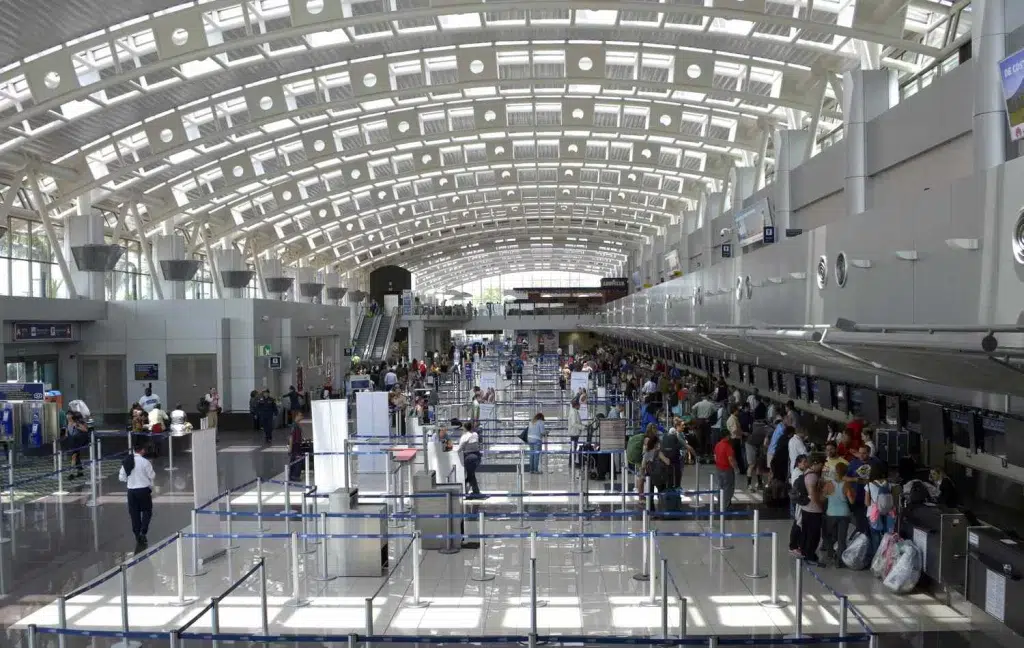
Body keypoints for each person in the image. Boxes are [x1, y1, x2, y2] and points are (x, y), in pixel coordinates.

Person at [119, 441, 156, 549]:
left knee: (134, 513)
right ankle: (143, 532)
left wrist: (129, 480)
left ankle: (136, 534)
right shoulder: (145, 462)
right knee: (147, 511)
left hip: (131, 491)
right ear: (143, 450)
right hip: (144, 490)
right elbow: (152, 475)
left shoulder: (127, 461)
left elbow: (121, 477)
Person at [822, 460, 854, 567]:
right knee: (841, 539)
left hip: (831, 514)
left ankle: (830, 555)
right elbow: (851, 501)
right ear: (845, 473)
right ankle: (839, 562)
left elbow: (823, 498)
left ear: (835, 472)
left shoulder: (828, 484)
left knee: (829, 536)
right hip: (844, 514)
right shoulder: (847, 485)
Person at [798, 456, 825, 566]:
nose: (822, 468)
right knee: (814, 534)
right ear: (816, 463)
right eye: (821, 465)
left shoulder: (806, 473)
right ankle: (809, 556)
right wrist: (821, 506)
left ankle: (805, 553)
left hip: (806, 508)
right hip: (813, 510)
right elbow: (813, 494)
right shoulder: (812, 476)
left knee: (806, 532)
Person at [865, 463, 897, 555]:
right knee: (886, 537)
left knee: (875, 537)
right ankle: (885, 559)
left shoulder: (869, 485)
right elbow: (893, 501)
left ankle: (876, 560)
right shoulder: (889, 485)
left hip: (874, 514)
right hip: (887, 513)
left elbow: (866, 503)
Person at [454, 422, 484, 499]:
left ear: (465, 428)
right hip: (477, 457)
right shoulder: (475, 434)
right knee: (471, 475)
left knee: (470, 476)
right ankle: (473, 491)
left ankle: (474, 492)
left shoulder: (465, 437)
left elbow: (459, 449)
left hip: (469, 458)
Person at [788, 454, 809, 554]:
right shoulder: (797, 474)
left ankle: (798, 544)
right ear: (798, 463)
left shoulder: (801, 472)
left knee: (799, 522)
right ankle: (793, 545)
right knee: (797, 522)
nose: (806, 464)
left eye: (806, 462)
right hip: (798, 501)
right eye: (804, 462)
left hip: (800, 500)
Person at [713, 432, 738, 510]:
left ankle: (719, 504)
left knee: (720, 486)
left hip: (718, 469)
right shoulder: (728, 446)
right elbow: (730, 459)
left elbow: (715, 457)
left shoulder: (718, 445)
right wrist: (735, 468)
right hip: (727, 470)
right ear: (727, 436)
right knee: (728, 488)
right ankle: (725, 506)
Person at [288, 411, 308, 482]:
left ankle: (292, 475)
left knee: (294, 460)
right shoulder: (294, 425)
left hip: (297, 445)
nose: (302, 417)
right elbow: (291, 437)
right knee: (297, 461)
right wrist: (290, 448)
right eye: (300, 415)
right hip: (295, 445)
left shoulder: (297, 425)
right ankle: (294, 476)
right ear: (296, 416)